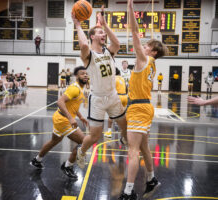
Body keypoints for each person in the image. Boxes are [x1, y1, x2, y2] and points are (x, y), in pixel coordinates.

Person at [119, 1, 168, 199]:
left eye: (147, 46)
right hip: (144, 107)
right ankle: (151, 178)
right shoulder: (152, 64)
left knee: (132, 152)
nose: (143, 46)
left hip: (139, 108)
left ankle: (128, 192)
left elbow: (134, 33)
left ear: (152, 51)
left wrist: (130, 9)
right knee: (144, 147)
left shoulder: (144, 59)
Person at [72, 6, 127, 169]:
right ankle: (81, 151)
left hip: (113, 96)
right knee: (95, 136)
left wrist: (105, 24)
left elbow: (117, 43)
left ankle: (123, 139)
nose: (104, 35)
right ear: (92, 37)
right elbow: (83, 46)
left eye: (104, 33)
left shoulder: (109, 52)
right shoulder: (89, 56)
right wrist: (77, 25)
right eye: (100, 32)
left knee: (125, 126)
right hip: (97, 99)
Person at [30, 66, 89, 179]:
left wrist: (80, 116)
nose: (85, 75)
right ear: (76, 76)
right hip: (63, 120)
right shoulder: (75, 88)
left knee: (54, 141)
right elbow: (60, 102)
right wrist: (71, 118)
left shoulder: (80, 88)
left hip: (59, 118)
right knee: (84, 142)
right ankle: (68, 166)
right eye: (82, 74)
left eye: (86, 73)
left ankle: (37, 160)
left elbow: (72, 105)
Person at [104, 69, 127, 138]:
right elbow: (126, 88)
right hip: (125, 97)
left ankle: (109, 132)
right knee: (122, 116)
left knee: (111, 115)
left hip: (118, 97)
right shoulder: (122, 78)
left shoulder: (113, 79)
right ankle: (125, 132)